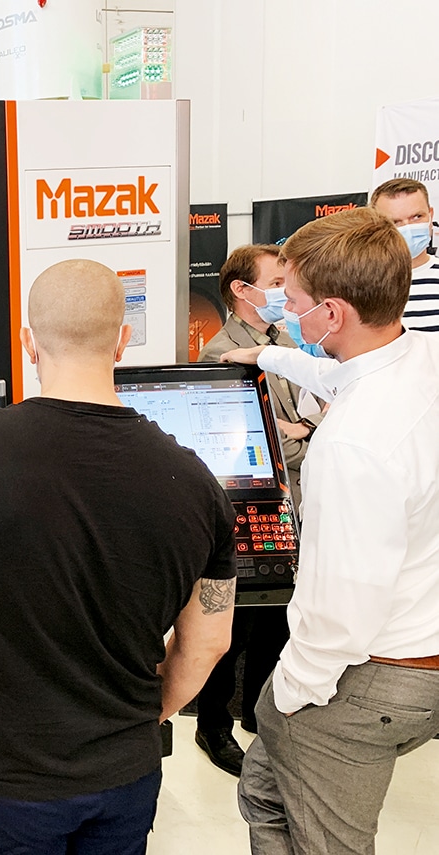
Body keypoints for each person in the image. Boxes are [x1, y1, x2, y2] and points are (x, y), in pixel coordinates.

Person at [0, 259, 236, 855]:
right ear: (123, 340)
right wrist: (146, 718)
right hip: (126, 775)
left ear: (28, 341)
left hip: (6, 783)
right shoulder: (197, 484)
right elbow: (208, 643)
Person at [220, 207, 439, 855]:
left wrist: (291, 691)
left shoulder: (353, 443)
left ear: (334, 313)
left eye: (293, 301)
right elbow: (338, 371)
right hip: (417, 647)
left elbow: (343, 603)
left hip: (366, 674)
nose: (285, 309)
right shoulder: (419, 356)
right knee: (264, 793)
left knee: (330, 844)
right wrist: (268, 353)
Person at [192, 245, 323, 777]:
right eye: (275, 283)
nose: (284, 293)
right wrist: (309, 435)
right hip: (244, 509)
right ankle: (212, 726)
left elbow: (312, 413)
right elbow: (255, 442)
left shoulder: (285, 342)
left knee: (278, 618)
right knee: (233, 628)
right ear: (241, 290)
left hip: (292, 504)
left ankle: (256, 713)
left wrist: (305, 429)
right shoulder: (220, 355)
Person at [370, 177, 439, 332]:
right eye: (395, 222)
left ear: (430, 215)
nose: (408, 227)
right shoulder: (359, 283)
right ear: (376, 225)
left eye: (417, 217)